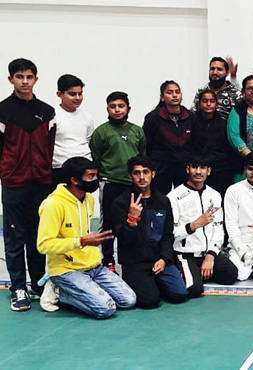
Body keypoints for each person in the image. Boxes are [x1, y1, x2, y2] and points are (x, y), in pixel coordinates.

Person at [37, 157, 136, 318]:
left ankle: (83, 289)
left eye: (96, 175)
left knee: (129, 300)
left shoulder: (88, 198)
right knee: (106, 309)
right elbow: (43, 245)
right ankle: (59, 291)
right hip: (66, 269)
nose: (96, 180)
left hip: (93, 266)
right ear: (74, 180)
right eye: (91, 176)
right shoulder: (53, 205)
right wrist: (81, 241)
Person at [1, 58, 55, 310]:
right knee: (14, 237)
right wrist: (8, 172)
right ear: (10, 79)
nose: (24, 81)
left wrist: (45, 173)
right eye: (19, 76)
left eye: (29, 76)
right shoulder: (3, 111)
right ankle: (18, 288)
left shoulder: (47, 112)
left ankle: (37, 284)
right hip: (14, 183)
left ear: (35, 79)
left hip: (41, 184)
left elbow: (51, 147)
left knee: (38, 237)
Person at [112, 155, 188, 308]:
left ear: (153, 174)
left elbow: (168, 234)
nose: (142, 177)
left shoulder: (163, 201)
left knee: (180, 294)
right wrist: (132, 219)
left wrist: (164, 258)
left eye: (145, 172)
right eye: (137, 173)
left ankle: (154, 283)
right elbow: (123, 239)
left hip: (159, 259)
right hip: (135, 262)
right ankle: (145, 284)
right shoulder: (121, 202)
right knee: (150, 301)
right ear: (130, 175)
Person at [90, 91, 147, 271]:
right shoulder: (101, 132)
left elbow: (142, 156)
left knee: (133, 220)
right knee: (108, 224)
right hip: (109, 183)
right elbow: (96, 158)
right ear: (107, 109)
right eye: (113, 106)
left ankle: (132, 257)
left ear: (128, 108)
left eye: (121, 106)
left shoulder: (137, 131)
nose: (117, 110)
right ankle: (108, 260)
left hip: (132, 184)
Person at [168, 157, 238, 298]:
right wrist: (194, 225)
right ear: (188, 169)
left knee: (231, 274)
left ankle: (199, 271)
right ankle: (186, 271)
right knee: (194, 289)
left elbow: (218, 228)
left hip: (207, 254)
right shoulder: (174, 197)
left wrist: (211, 255)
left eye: (203, 168)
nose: (198, 172)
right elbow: (170, 233)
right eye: (195, 167)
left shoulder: (215, 195)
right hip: (185, 254)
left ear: (209, 171)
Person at [143, 80, 197, 195]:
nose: (174, 95)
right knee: (159, 197)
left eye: (177, 92)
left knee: (185, 197)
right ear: (162, 97)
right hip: (161, 166)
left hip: (184, 165)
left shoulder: (191, 117)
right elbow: (147, 144)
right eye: (169, 92)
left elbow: (196, 143)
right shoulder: (153, 118)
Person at [224, 152, 253, 281]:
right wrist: (242, 250)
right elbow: (230, 223)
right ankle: (230, 253)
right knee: (240, 275)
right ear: (245, 170)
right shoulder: (233, 190)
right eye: (250, 169)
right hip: (240, 239)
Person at [193, 89, 240, 198]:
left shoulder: (223, 123)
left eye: (211, 101)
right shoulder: (192, 122)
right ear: (199, 104)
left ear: (216, 104)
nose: (208, 104)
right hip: (199, 169)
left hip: (220, 170)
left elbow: (227, 149)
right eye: (204, 101)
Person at [52, 74, 94, 185]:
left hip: (85, 168)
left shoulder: (87, 116)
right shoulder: (52, 115)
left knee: (84, 201)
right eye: (72, 94)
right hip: (59, 168)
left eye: (80, 94)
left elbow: (88, 140)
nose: (77, 98)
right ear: (59, 94)